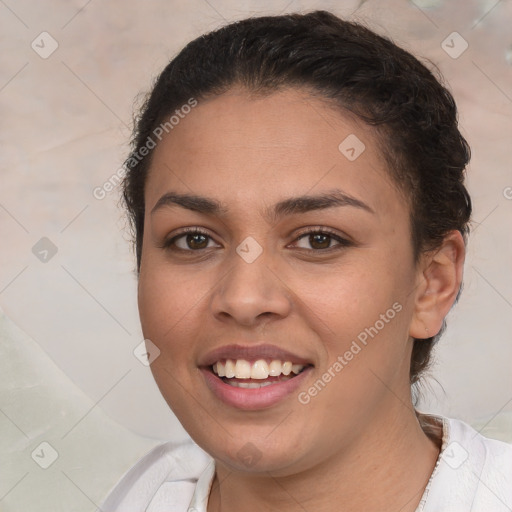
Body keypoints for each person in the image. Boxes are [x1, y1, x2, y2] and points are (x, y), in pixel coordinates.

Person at [98, 10, 512, 512]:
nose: (244, 298)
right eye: (193, 240)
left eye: (318, 239)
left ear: (432, 283)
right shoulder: (141, 495)